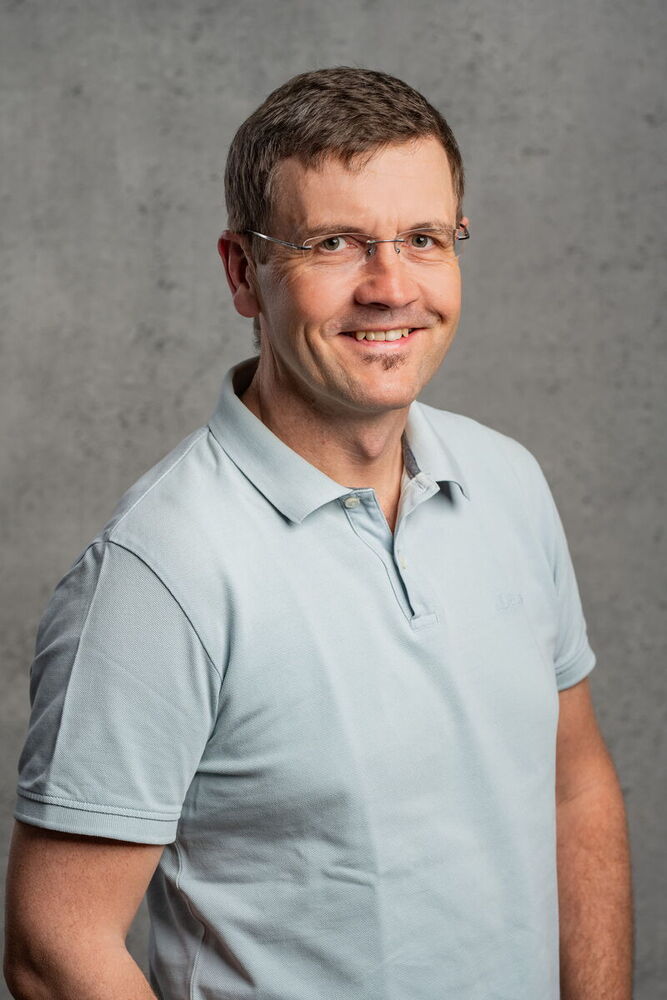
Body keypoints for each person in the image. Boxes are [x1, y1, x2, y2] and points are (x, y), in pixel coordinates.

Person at [4, 67, 633, 1000]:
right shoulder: (159, 570)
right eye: (334, 243)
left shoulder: (508, 482)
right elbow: (56, 952)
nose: (390, 287)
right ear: (242, 273)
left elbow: (571, 787)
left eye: (423, 239)